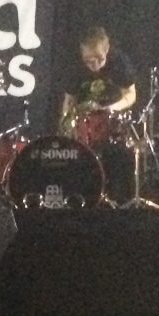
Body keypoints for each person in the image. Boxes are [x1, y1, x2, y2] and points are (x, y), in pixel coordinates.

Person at [60, 26, 137, 203]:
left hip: (113, 121)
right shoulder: (75, 66)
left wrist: (112, 108)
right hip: (85, 123)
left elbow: (131, 94)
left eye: (99, 59)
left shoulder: (118, 61)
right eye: (88, 61)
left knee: (120, 159)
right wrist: (66, 125)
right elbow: (69, 101)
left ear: (107, 49)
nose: (94, 65)